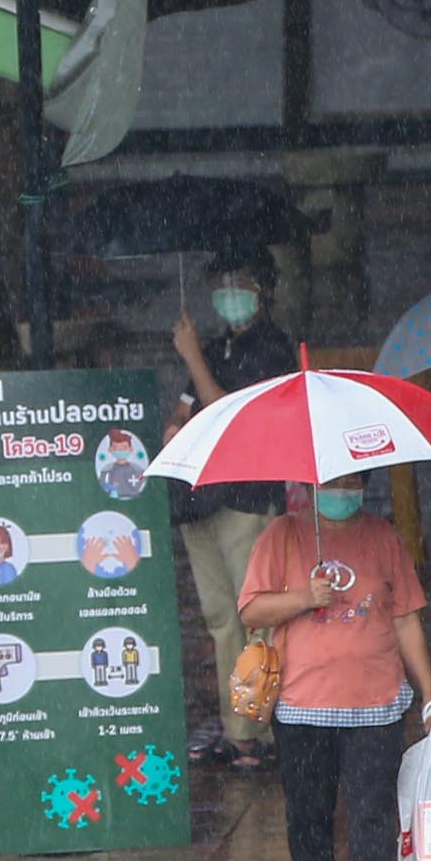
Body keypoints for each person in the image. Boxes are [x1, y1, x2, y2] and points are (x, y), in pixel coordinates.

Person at [238, 482, 431, 861]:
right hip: (300, 702)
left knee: (372, 808)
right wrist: (303, 597)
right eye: (334, 483)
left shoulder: (383, 537)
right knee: (309, 810)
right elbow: (250, 607)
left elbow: (406, 618)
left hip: (376, 700)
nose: (344, 491)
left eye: (354, 482)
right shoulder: (282, 534)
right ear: (312, 487)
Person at [167, 249, 301, 772]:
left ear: (261, 289)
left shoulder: (271, 347)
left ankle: (264, 725)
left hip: (245, 499)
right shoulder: (216, 344)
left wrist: (192, 356)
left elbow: (231, 414)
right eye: (220, 283)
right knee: (221, 619)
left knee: (255, 616)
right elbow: (186, 406)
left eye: (238, 281)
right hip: (200, 498)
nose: (228, 292)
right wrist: (177, 422)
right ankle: (237, 728)